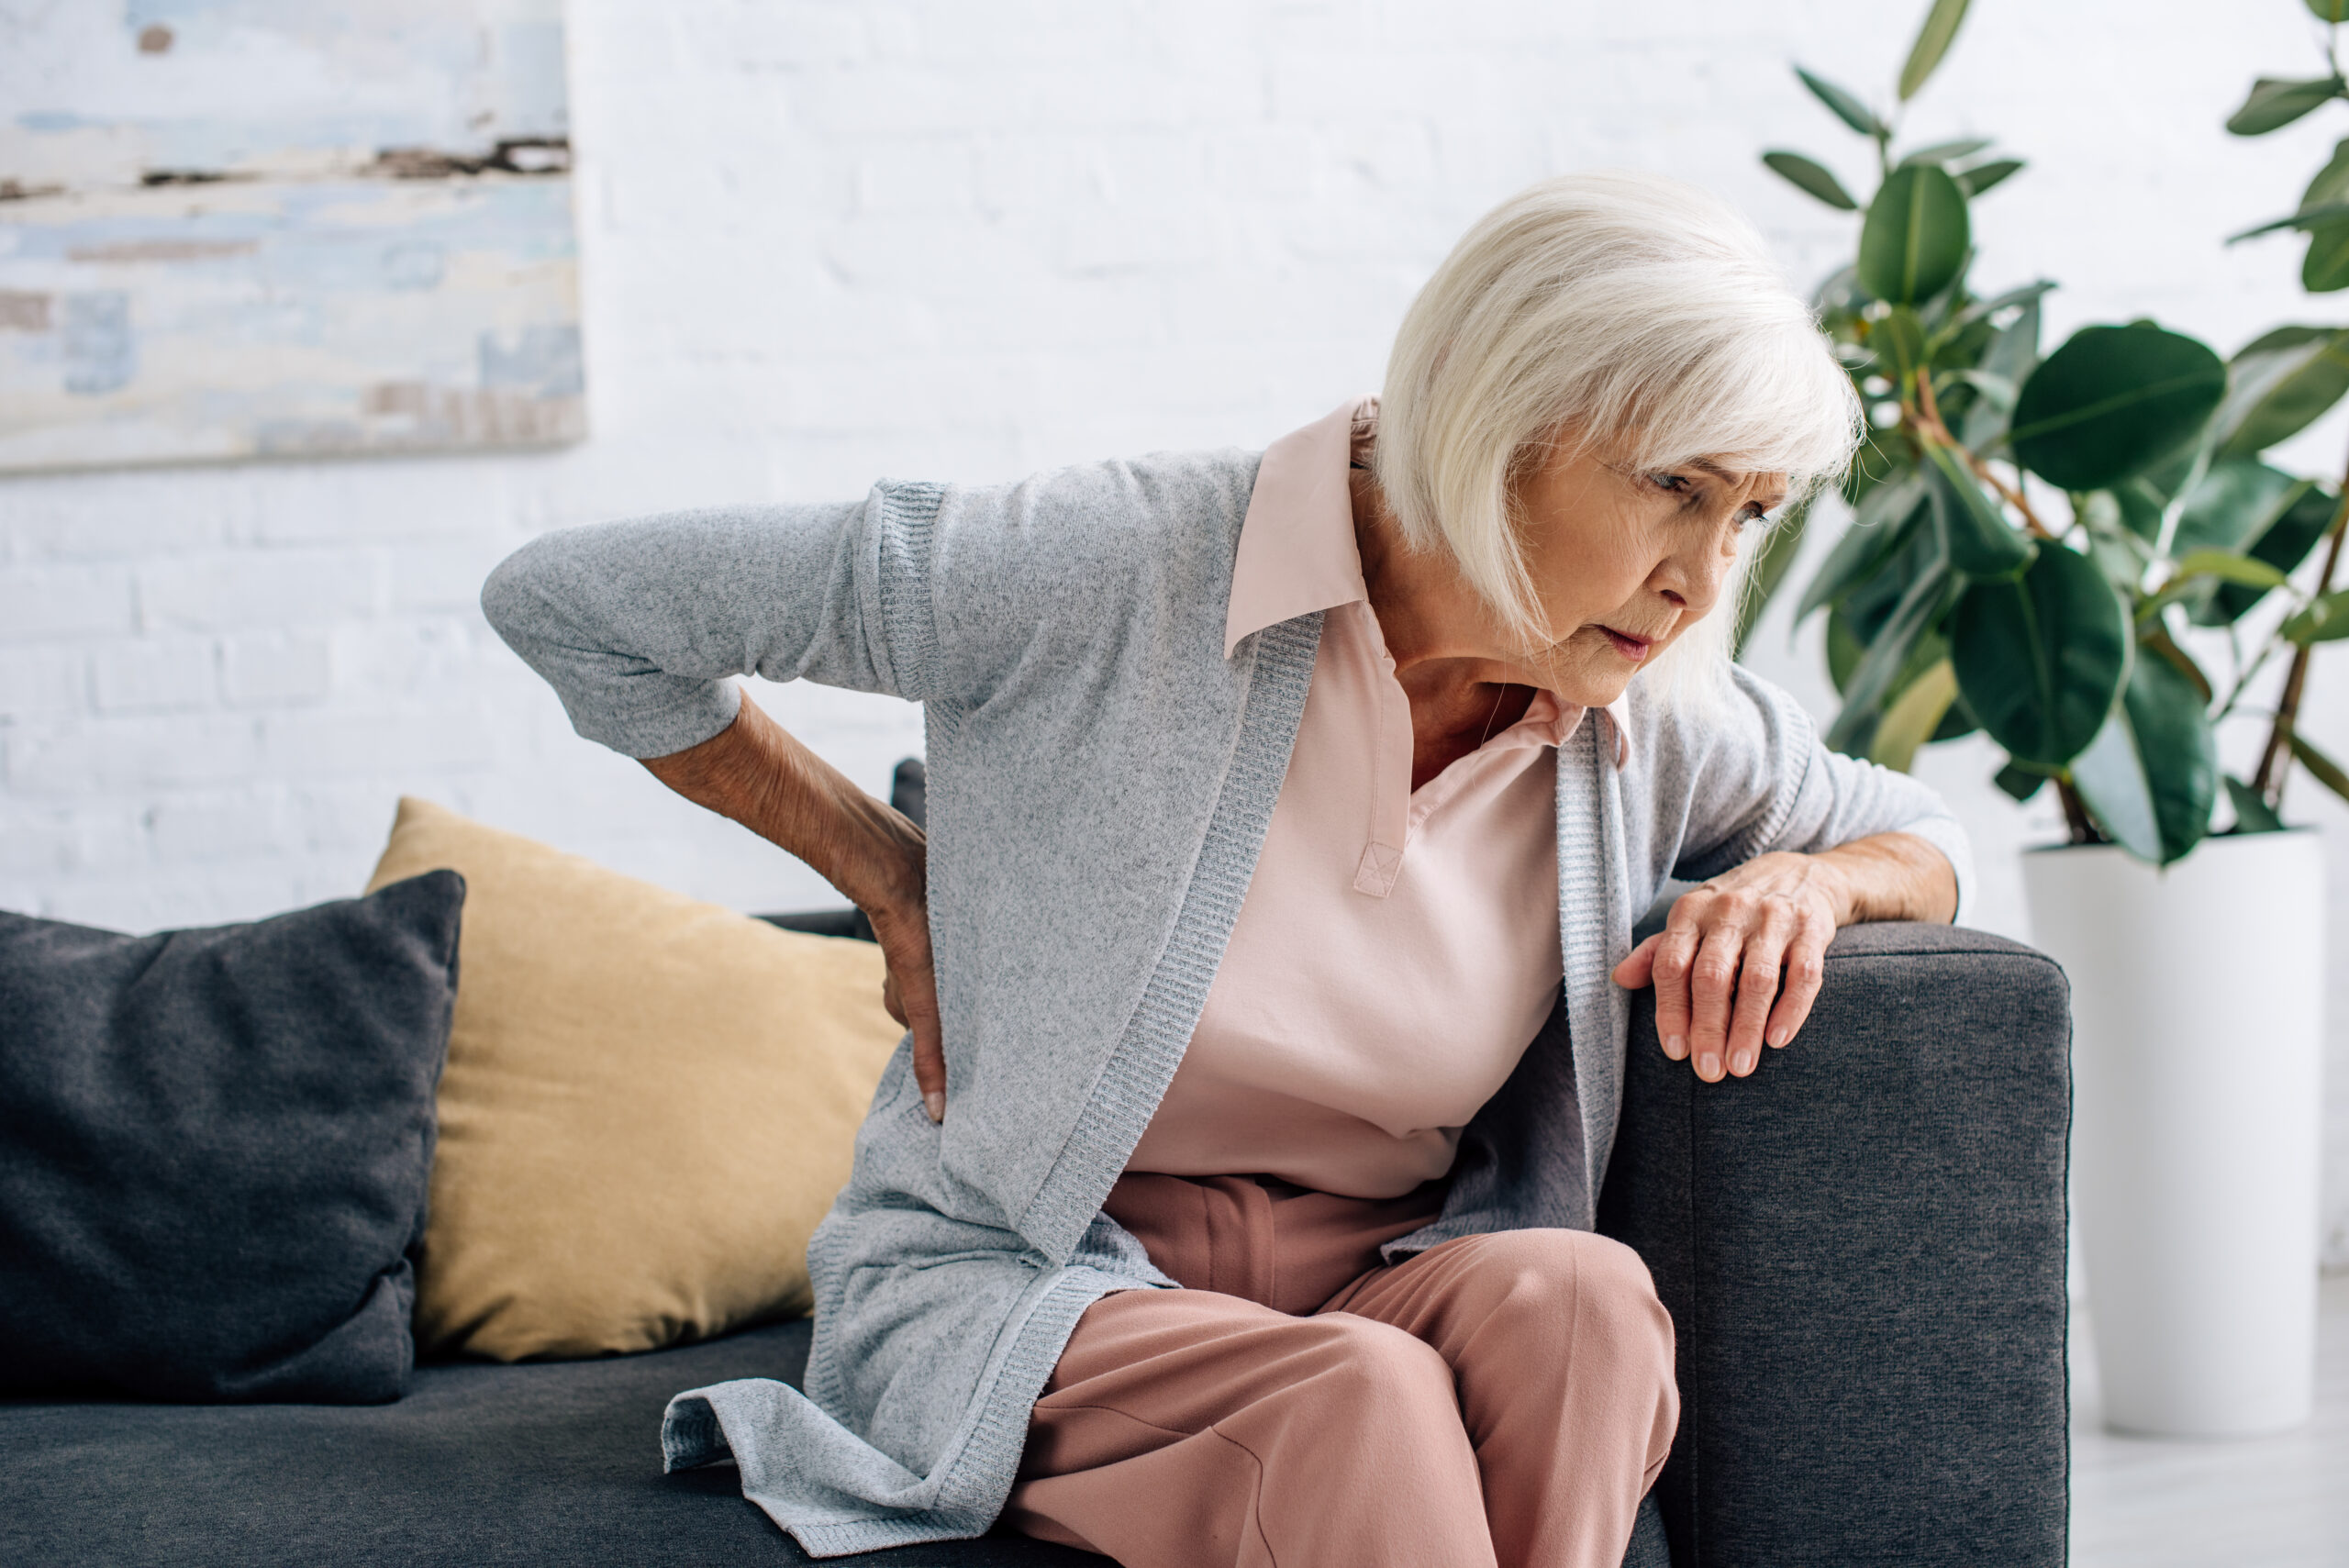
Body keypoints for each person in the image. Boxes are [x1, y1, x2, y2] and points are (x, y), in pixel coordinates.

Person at [482, 172, 1968, 1568]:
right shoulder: (1110, 569)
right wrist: (885, 874)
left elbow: (1927, 831)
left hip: (1384, 1261)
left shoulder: (1656, 704)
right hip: (1040, 1277)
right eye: (1676, 490)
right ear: (1505, 418)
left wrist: (1811, 884)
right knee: (1358, 1399)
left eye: (1751, 517)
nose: (1708, 581)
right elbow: (576, 603)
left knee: (1585, 1306)